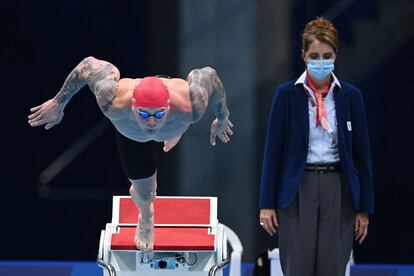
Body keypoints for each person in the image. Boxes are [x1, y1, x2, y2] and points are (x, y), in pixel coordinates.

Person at [28, 56, 233, 251]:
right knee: (145, 194)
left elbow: (209, 75)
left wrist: (222, 117)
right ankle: (146, 215)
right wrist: (58, 102)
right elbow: (87, 65)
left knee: (176, 125)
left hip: (175, 121)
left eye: (158, 115)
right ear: (133, 107)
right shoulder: (112, 100)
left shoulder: (191, 104)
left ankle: (173, 131)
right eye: (143, 114)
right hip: (132, 136)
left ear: (168, 107)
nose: (150, 122)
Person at [259, 17, 373, 276]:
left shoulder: (351, 96)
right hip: (297, 188)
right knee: (297, 267)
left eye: (327, 55)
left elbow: (362, 157)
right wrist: (266, 203)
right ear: (303, 55)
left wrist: (364, 208)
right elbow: (272, 152)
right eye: (314, 55)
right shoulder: (286, 95)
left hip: (339, 188)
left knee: (332, 267)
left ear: (336, 55)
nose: (321, 62)